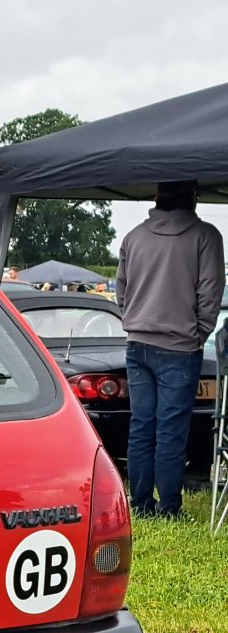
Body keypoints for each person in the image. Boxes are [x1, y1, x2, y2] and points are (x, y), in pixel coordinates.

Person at [116, 181, 225, 518]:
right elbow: (211, 293)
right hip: (180, 345)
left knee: (141, 426)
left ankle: (141, 504)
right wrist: (198, 333)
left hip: (138, 342)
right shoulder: (205, 237)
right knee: (171, 431)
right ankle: (169, 508)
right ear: (193, 198)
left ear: (156, 197)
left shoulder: (133, 237)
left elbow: (121, 290)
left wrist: (135, 319)